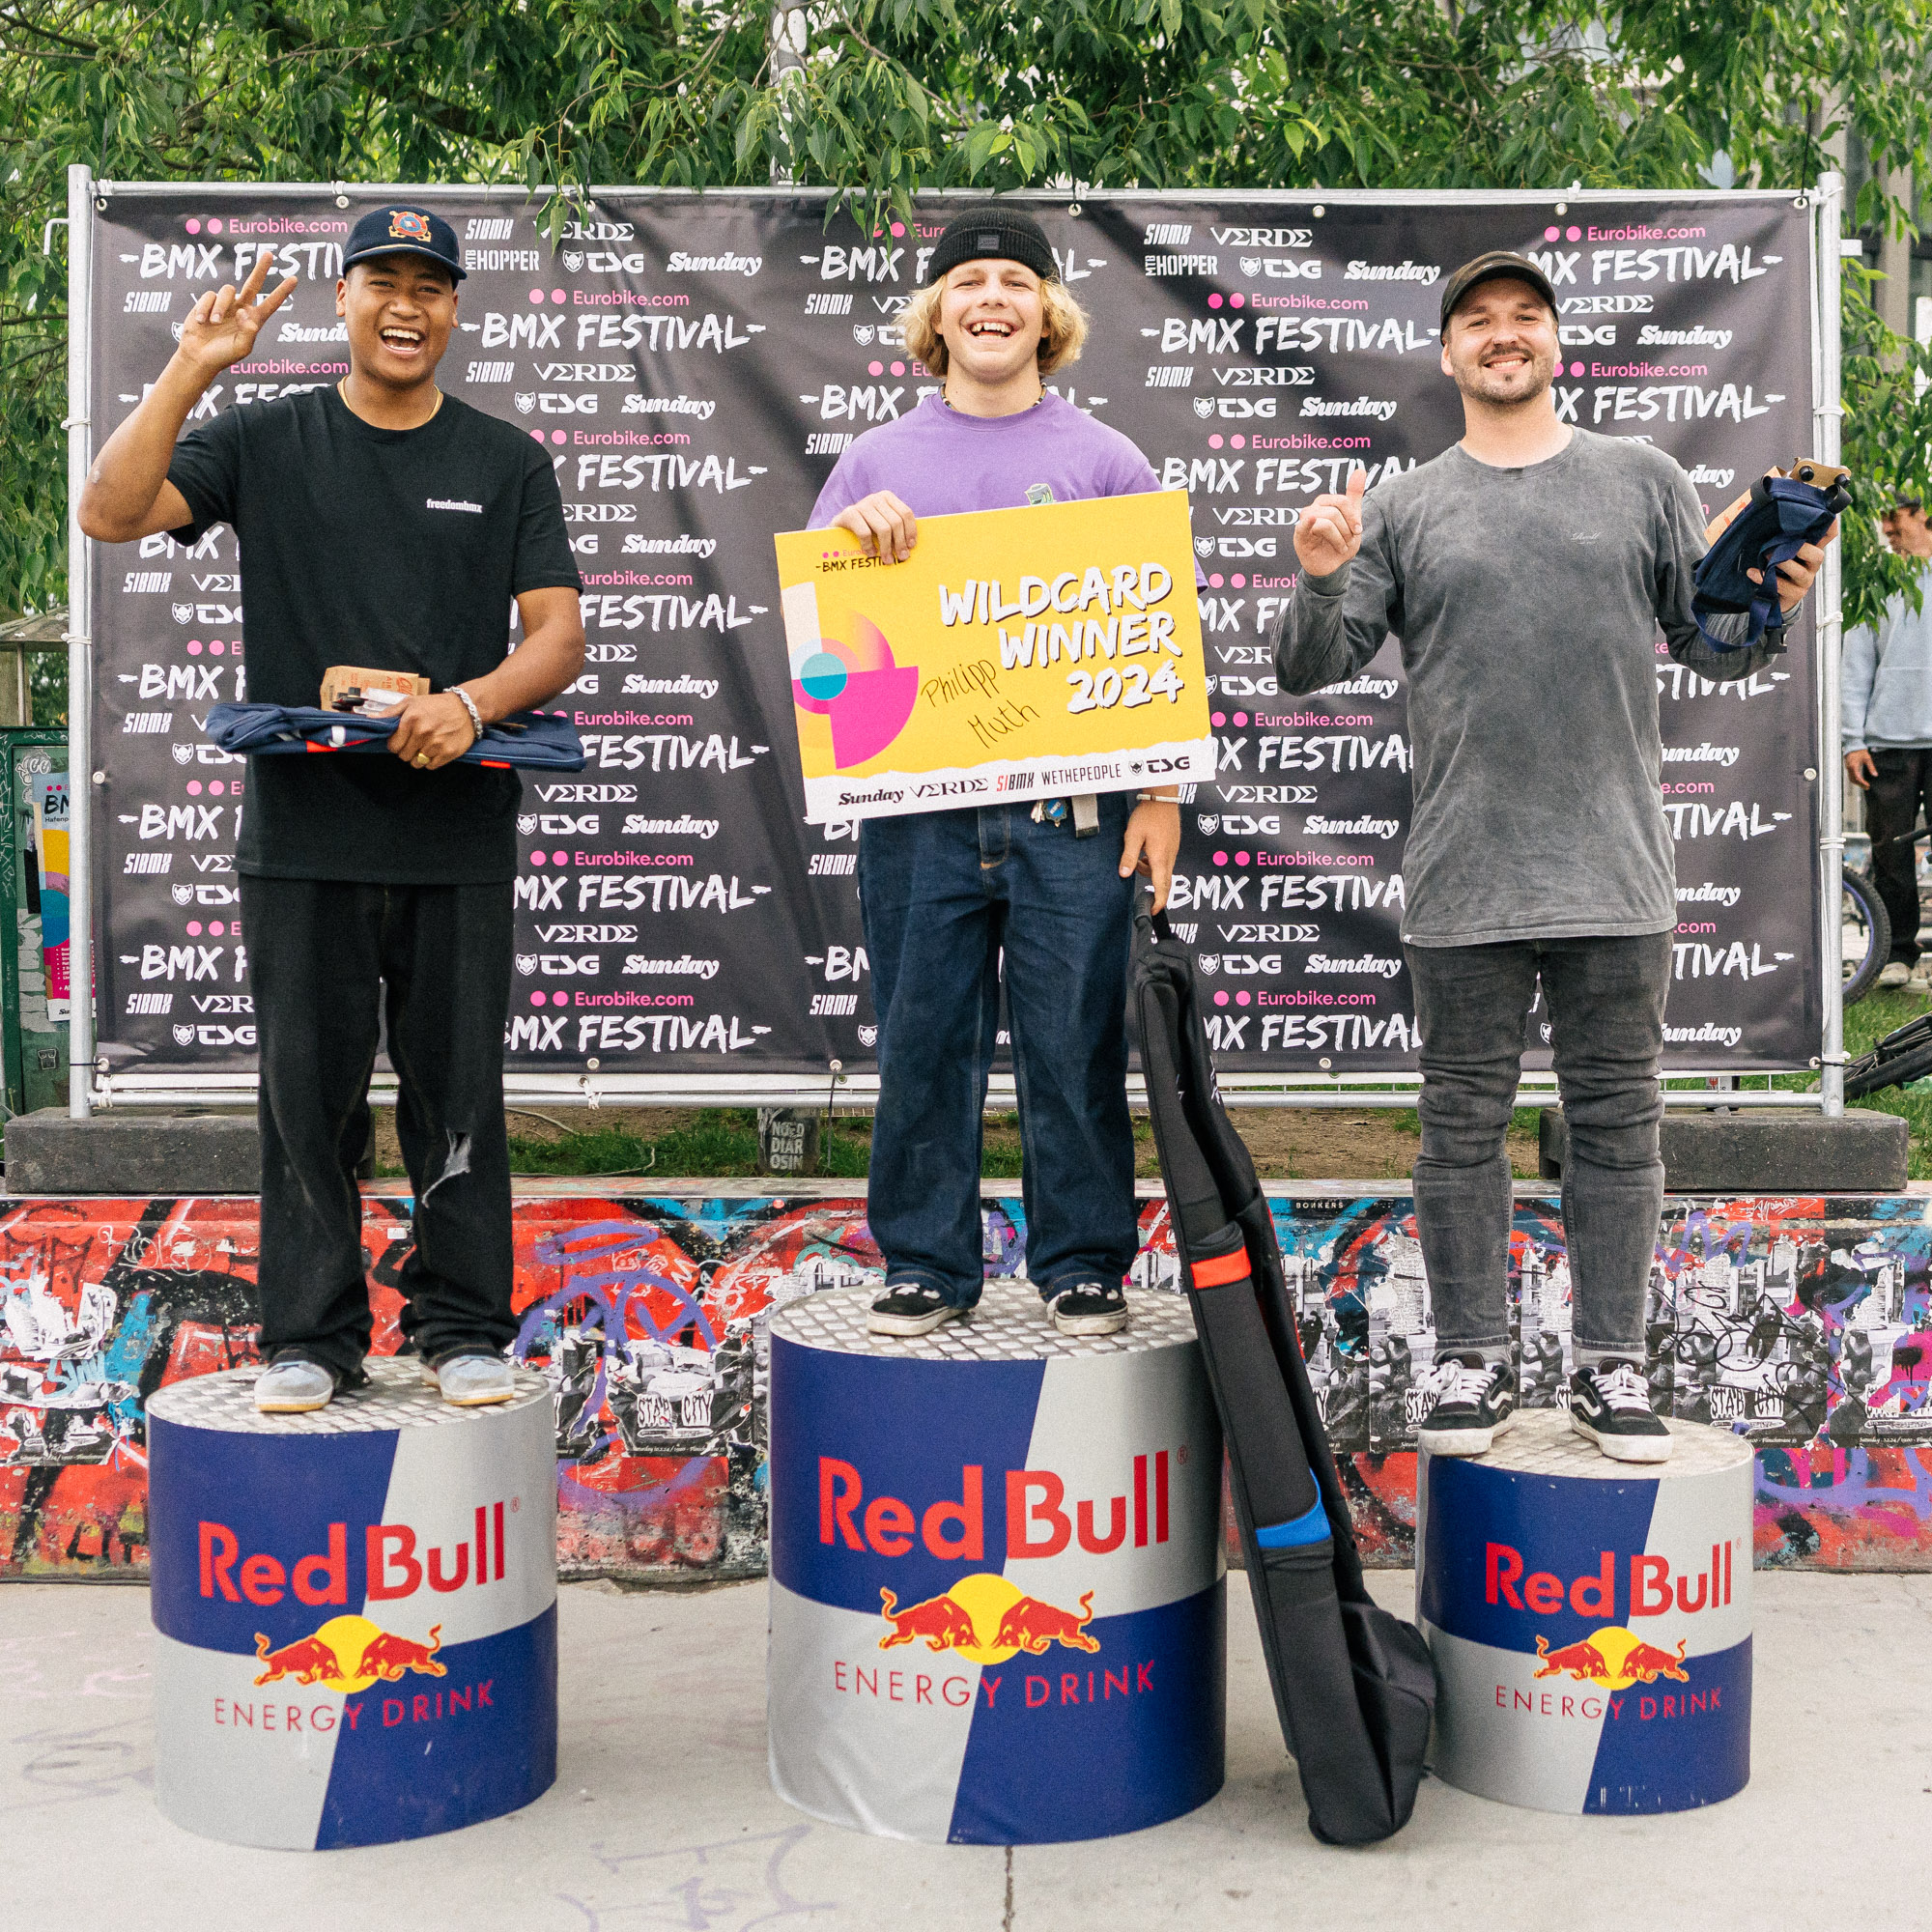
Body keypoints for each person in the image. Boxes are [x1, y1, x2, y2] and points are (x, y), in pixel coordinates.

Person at [1271, 250, 1832, 1463]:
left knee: (1619, 1125)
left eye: (1525, 316)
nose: (1503, 334)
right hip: (1462, 873)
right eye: (1478, 321)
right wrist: (1319, 576)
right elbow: (1309, 663)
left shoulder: (1640, 480)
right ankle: (1473, 1359)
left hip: (1615, 871)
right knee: (1456, 1128)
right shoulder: (1403, 504)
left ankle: (1611, 1369)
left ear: (1556, 343)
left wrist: (1773, 594)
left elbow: (1715, 646)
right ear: (1447, 354)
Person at [78, 206, 585, 1413]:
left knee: (456, 1092)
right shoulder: (263, 436)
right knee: (304, 1099)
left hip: (454, 835)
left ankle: (462, 1327)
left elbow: (557, 635)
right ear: (344, 301)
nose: (407, 305)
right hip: (302, 834)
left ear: (456, 309)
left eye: (431, 285)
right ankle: (309, 1336)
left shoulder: (503, 456)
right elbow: (109, 509)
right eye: (382, 283)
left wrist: (468, 702)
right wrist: (194, 367)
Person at [806, 203, 1182, 1339]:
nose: (989, 300)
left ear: (1045, 312)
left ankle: (1080, 1261)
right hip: (918, 815)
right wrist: (841, 548)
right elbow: (825, 662)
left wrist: (1159, 794)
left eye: (1013, 282)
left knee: (1074, 1040)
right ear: (935, 314)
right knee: (922, 1038)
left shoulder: (1103, 458)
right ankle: (924, 1260)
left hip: (1071, 814)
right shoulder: (875, 458)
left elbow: (1150, 634)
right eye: (967, 281)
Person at [1843, 497, 1932, 990]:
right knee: (1889, 852)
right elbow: (1855, 666)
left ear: (1922, 514)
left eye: (1895, 523)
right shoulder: (1877, 586)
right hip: (1885, 742)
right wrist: (1852, 741)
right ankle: (1897, 953)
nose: (1888, 534)